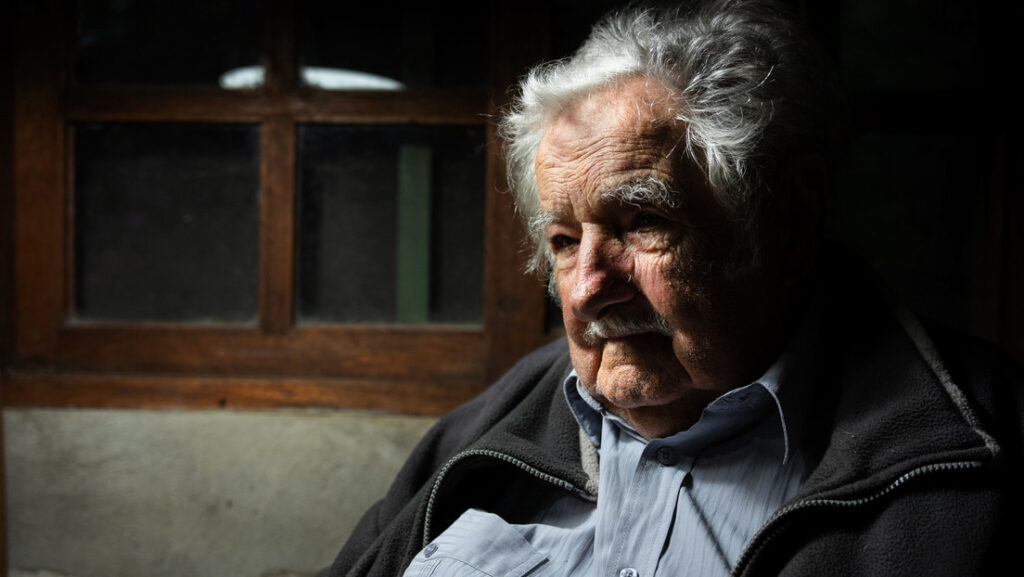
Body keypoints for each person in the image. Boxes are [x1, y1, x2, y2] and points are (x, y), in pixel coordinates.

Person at [323, 1, 1024, 575]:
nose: (586, 291)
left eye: (641, 222)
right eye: (564, 240)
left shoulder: (980, 450)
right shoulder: (487, 429)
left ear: (789, 215)